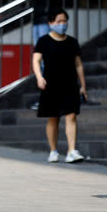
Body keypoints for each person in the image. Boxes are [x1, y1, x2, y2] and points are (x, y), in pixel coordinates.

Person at [32, 9, 87, 163]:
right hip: (51, 84)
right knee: (53, 118)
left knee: (71, 116)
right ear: (50, 23)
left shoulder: (72, 42)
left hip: (70, 84)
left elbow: (79, 65)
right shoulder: (43, 41)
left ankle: (71, 151)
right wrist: (39, 77)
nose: (62, 25)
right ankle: (53, 150)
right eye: (58, 21)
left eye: (64, 21)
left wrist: (83, 86)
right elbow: (35, 60)